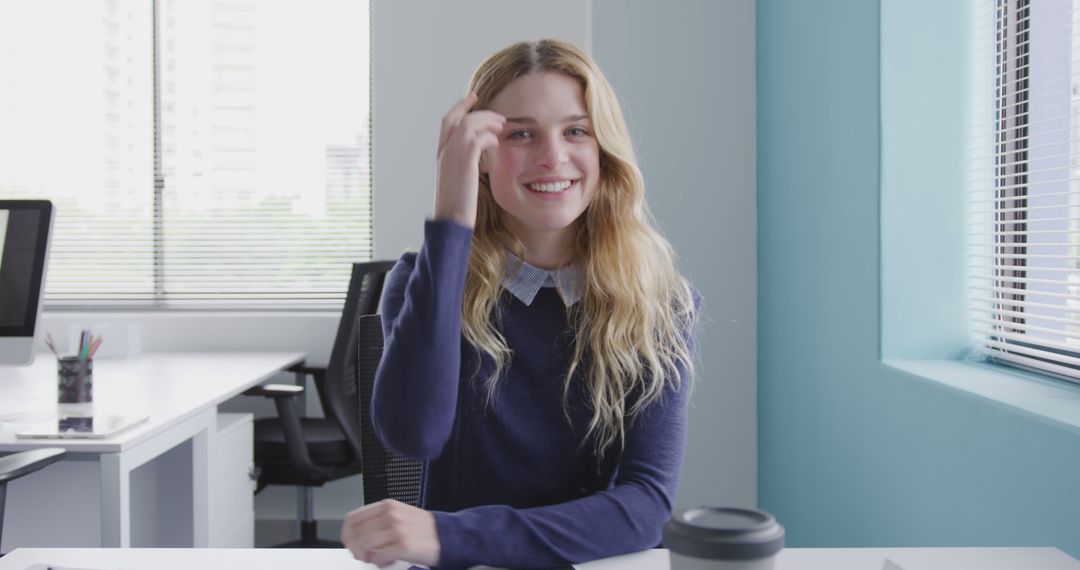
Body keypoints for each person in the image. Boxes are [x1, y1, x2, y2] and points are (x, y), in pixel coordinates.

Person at [341, 38, 699, 569]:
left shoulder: (658, 300)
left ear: (603, 150)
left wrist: (452, 535)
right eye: (520, 134)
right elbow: (412, 435)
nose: (552, 156)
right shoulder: (422, 280)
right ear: (479, 156)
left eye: (576, 130)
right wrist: (450, 216)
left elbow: (645, 506)